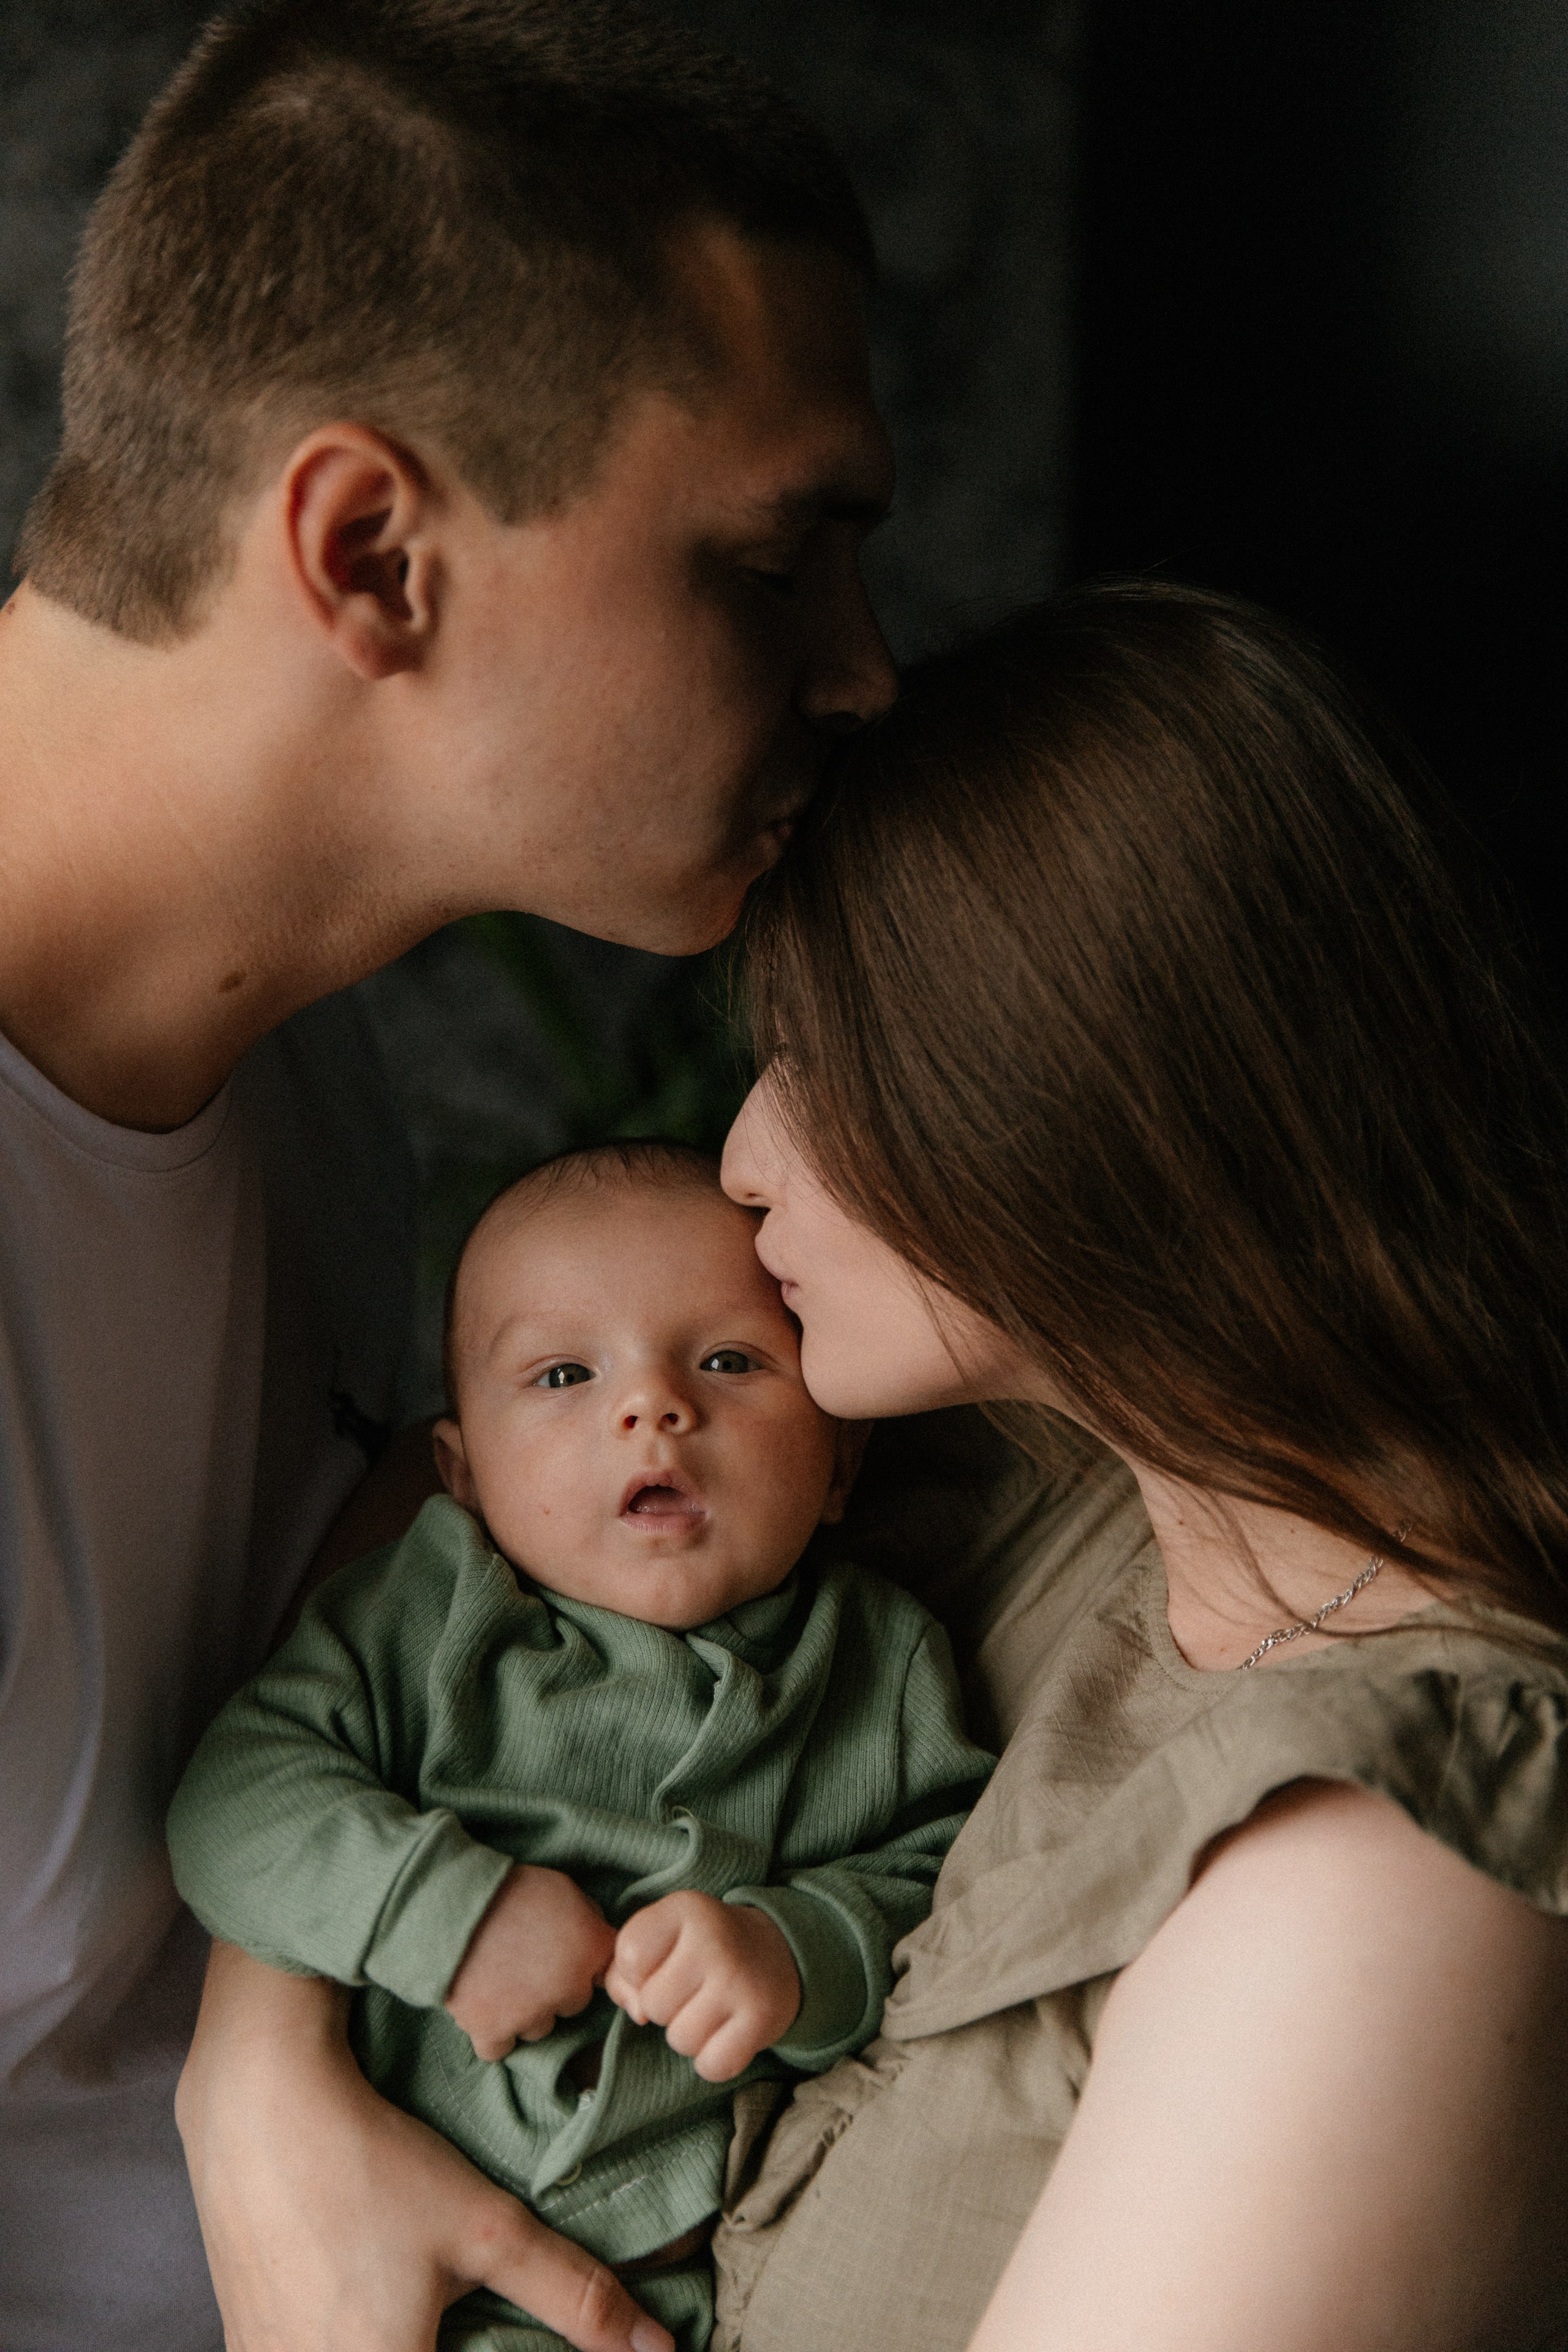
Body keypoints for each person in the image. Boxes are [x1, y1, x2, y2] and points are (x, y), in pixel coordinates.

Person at [0, 1, 896, 2345]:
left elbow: (358, 1601)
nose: (865, 671)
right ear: (373, 549)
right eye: (774, 561)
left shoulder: (285, 1035)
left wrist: (261, 2048)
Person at [710, 582, 1568, 2352]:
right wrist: (267, 2074)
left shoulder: (1370, 1878)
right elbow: (443, 1547)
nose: (738, 1156)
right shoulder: (1071, 1494)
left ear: (1053, 1086)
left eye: (814, 1059)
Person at [166, 1142, 991, 2352]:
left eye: (727, 1361)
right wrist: (444, 1912)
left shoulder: (880, 1657)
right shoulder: (427, 1616)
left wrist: (790, 1949)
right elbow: (234, 1798)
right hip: (419, 2274)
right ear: (463, 1475)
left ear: (839, 1462)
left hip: (722, 2270)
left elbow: (943, 1882)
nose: (652, 1407)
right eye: (563, 1374)